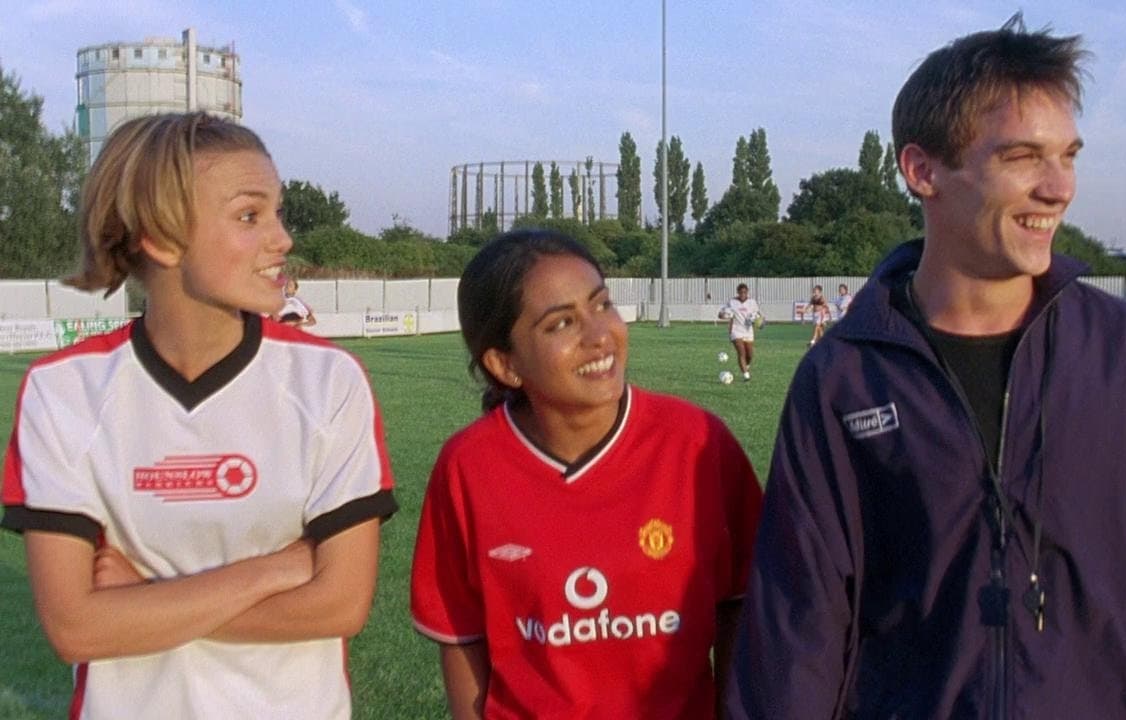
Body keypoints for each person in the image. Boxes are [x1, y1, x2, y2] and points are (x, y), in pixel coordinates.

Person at [727, 14, 1126, 719]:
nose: (1059, 188)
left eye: (1068, 156)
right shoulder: (844, 380)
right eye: (1023, 156)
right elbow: (798, 631)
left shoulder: (1123, 352)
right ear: (923, 171)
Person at [1, 112, 397, 719]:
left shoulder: (328, 381)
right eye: (249, 216)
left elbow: (339, 606)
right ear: (160, 239)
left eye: (278, 212)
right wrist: (276, 569)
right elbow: (74, 629)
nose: (283, 239)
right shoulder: (64, 390)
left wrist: (142, 602)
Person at [410, 230, 762, 719]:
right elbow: (461, 637)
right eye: (561, 323)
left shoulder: (699, 443)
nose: (600, 335)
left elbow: (742, 603)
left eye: (602, 304)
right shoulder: (468, 467)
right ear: (505, 364)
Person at [720, 283, 762, 381]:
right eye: (741, 292)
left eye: (745, 292)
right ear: (737, 292)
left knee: (749, 355)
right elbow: (720, 314)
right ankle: (746, 375)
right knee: (741, 352)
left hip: (748, 331)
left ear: (747, 292)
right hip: (736, 331)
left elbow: (758, 316)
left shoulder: (752, 302)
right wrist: (724, 315)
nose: (743, 294)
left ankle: (746, 366)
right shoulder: (732, 302)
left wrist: (759, 322)